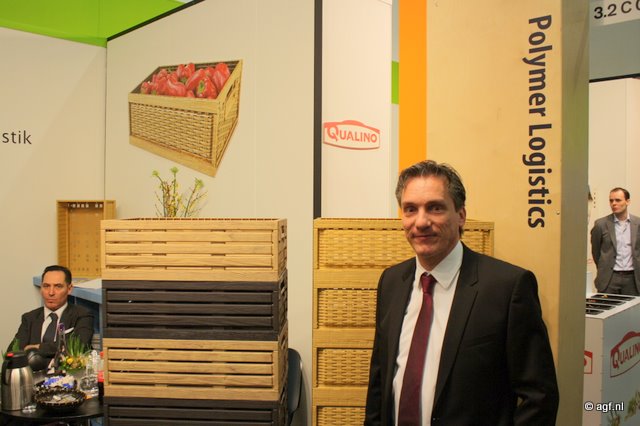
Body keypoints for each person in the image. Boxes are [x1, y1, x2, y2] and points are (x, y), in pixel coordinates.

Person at [364, 160, 559, 425]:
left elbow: (540, 397)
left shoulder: (507, 288)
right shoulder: (391, 282)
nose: (421, 222)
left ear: (461, 215)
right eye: (410, 209)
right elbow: (379, 381)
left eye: (435, 208)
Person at [9, 265, 94, 366]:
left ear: (69, 289)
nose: (51, 292)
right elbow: (13, 351)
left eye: (58, 286)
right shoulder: (29, 318)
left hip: (66, 373)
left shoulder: (82, 315)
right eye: (46, 286)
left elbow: (79, 345)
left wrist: (38, 348)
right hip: (33, 373)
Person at [590, 187, 640, 295]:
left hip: (632, 279)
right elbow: (596, 252)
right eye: (611, 200)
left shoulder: (637, 223)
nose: (614, 203)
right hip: (609, 278)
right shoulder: (600, 224)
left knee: (632, 306)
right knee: (606, 305)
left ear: (627, 202)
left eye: (618, 200)